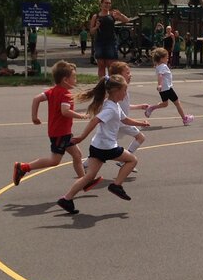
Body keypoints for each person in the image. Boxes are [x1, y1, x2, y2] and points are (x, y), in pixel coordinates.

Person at [56, 74, 150, 214]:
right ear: (117, 91)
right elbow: (95, 121)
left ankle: (66, 199)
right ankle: (116, 185)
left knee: (89, 176)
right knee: (132, 160)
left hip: (97, 146)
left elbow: (125, 120)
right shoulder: (110, 108)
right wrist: (81, 137)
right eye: (124, 90)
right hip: (107, 147)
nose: (126, 93)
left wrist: (140, 123)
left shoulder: (112, 104)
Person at [12, 61, 91, 187]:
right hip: (60, 133)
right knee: (54, 161)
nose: (76, 79)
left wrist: (34, 117)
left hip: (61, 132)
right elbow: (65, 111)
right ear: (65, 80)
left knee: (77, 155)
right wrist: (80, 116)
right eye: (74, 77)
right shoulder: (66, 94)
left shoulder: (53, 91)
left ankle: (84, 182)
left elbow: (36, 98)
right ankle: (24, 167)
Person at [107, 61, 149, 172]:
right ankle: (124, 160)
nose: (130, 74)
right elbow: (121, 111)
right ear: (119, 76)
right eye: (127, 72)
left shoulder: (122, 90)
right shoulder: (119, 91)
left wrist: (139, 106)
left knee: (105, 149)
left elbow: (124, 107)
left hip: (119, 123)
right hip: (121, 123)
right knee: (140, 137)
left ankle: (86, 165)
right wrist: (140, 122)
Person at [144, 48, 194, 126]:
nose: (168, 59)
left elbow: (161, 75)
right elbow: (160, 75)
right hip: (167, 88)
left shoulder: (158, 66)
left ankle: (151, 108)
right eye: (166, 57)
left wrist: (160, 85)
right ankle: (185, 119)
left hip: (163, 90)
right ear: (161, 59)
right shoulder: (163, 66)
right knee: (177, 103)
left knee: (165, 104)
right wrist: (159, 84)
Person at [90, 0, 129, 79]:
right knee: (101, 66)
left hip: (111, 42)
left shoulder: (112, 14)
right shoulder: (95, 16)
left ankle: (111, 85)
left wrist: (120, 15)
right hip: (99, 43)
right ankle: (102, 85)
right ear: (101, 4)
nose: (107, 5)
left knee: (111, 67)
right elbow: (91, 31)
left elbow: (126, 20)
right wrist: (96, 27)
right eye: (106, 3)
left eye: (109, 3)